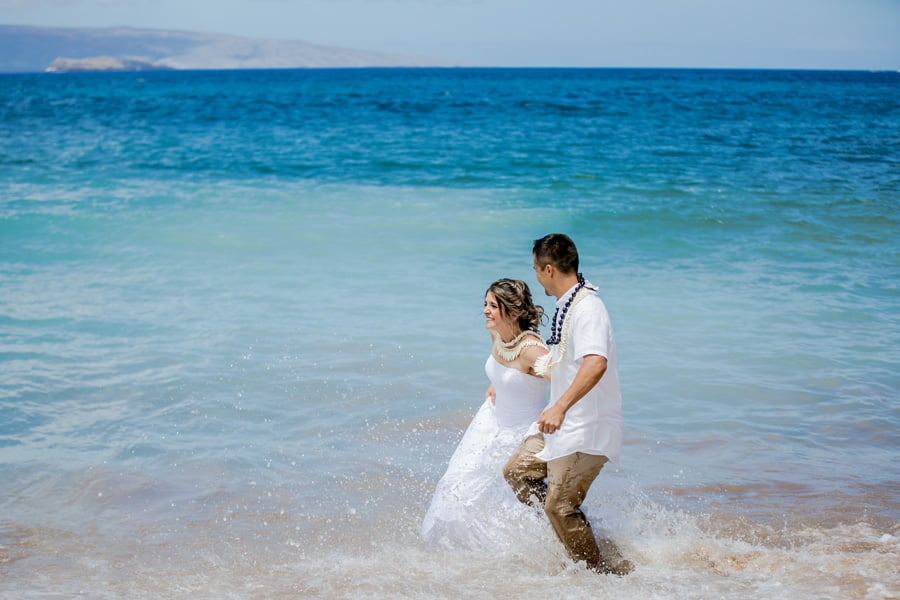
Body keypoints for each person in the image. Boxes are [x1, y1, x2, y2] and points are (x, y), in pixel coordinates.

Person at [503, 233, 633, 575]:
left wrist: (559, 406)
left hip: (586, 426)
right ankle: (577, 535)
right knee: (518, 472)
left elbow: (596, 363)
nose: (534, 276)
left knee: (558, 506)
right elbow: (560, 362)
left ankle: (599, 577)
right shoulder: (567, 305)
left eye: (535, 269)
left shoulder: (588, 308)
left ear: (548, 269)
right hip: (563, 426)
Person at [421, 278, 550, 550]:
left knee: (501, 499)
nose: (485, 311)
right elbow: (501, 361)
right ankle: (465, 555)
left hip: (519, 431)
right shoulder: (499, 334)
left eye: (493, 306)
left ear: (513, 313)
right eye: (485, 304)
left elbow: (564, 384)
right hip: (491, 421)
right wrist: (497, 381)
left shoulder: (532, 350)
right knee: (457, 486)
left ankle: (522, 549)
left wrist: (557, 417)